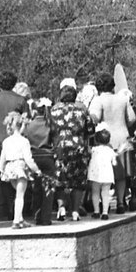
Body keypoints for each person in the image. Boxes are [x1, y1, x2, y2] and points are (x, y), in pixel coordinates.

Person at [88, 72, 136, 214]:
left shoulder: (98, 100)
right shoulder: (123, 99)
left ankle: (103, 205)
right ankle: (121, 203)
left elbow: (94, 118)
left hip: (104, 141)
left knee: (103, 174)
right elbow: (132, 118)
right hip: (122, 138)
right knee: (121, 174)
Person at [50, 85, 95, 221]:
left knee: (60, 179)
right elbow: (91, 130)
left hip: (59, 148)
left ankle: (61, 208)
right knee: (78, 180)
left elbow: (50, 129)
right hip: (78, 148)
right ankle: (75, 211)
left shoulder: (53, 110)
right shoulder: (82, 109)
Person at [0, 72, 28, 220]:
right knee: (20, 173)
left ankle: (8, 207)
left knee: (3, 174)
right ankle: (19, 208)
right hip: (17, 140)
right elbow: (26, 121)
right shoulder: (20, 100)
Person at [0, 112, 41, 229]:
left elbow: (2, 158)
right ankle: (16, 220)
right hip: (20, 167)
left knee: (17, 194)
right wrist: (36, 170)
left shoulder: (6, 141)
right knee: (20, 195)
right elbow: (28, 158)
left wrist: (1, 169)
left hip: (10, 168)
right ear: (21, 125)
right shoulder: (24, 141)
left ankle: (20, 218)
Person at [24, 99, 57, 225]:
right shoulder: (50, 123)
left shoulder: (29, 125)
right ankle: (46, 218)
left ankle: (37, 216)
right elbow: (56, 141)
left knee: (37, 188)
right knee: (48, 189)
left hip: (34, 157)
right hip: (48, 157)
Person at [87, 127, 116, 220]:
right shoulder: (110, 150)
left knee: (95, 192)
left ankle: (96, 211)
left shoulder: (94, 150)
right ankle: (105, 212)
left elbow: (88, 151)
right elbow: (114, 163)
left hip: (96, 174)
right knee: (105, 193)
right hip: (107, 174)